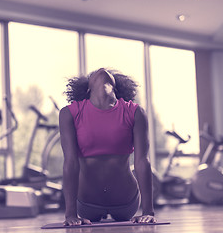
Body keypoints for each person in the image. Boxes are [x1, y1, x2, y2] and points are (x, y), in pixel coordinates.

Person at [59, 67, 156, 226]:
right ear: (88, 88)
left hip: (126, 202)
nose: (102, 70)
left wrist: (148, 212)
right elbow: (70, 163)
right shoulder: (70, 113)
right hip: (86, 204)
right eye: (95, 74)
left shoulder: (134, 112)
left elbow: (142, 162)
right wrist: (70, 214)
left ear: (116, 88)